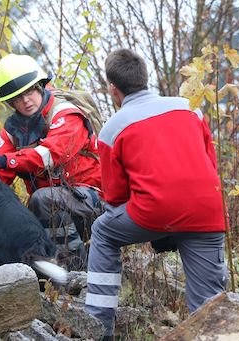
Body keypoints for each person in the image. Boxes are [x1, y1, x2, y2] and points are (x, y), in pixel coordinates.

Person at [85, 48, 228, 340]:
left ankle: (98, 329)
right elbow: (209, 164)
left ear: (113, 89)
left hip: (152, 212)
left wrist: (160, 226)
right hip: (207, 210)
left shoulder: (113, 129)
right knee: (209, 306)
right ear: (145, 78)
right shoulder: (190, 109)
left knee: (103, 231)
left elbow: (114, 196)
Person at [0, 53, 103, 271]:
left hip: (96, 201)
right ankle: (23, 286)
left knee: (42, 199)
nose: (25, 100)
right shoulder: (13, 131)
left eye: (29, 91)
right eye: (17, 97)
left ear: (40, 86)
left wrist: (2, 160)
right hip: (53, 208)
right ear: (10, 102)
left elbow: (50, 156)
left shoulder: (66, 114)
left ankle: (77, 272)